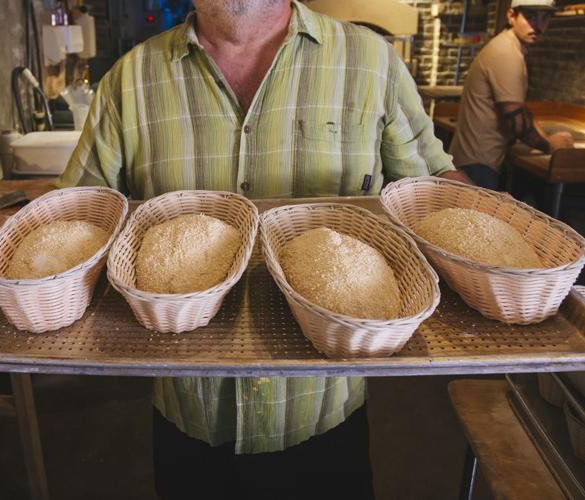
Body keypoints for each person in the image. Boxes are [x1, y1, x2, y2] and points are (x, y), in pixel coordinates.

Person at [57, 1, 469, 498]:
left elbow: (435, 196)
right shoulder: (129, 81)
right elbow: (77, 217)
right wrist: (15, 237)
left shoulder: (370, 63)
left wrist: (482, 213)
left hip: (321, 411)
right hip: (192, 414)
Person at [449, 0, 574, 190]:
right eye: (530, 16)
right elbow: (515, 120)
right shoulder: (506, 53)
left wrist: (542, 132)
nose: (538, 25)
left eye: (545, 17)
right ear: (511, 16)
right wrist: (551, 145)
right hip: (477, 165)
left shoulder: (509, 46)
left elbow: (519, 108)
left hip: (477, 160)